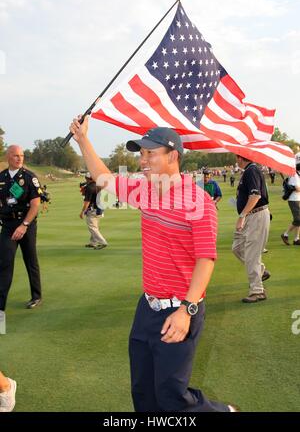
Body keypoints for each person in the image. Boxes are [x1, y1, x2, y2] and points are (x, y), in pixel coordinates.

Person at [70, 117, 237, 412]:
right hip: (147, 307)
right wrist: (82, 139)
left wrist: (187, 310)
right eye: (141, 153)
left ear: (173, 156)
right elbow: (104, 177)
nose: (142, 160)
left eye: (150, 153)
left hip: (181, 309)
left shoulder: (198, 200)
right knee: (143, 392)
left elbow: (205, 259)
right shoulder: (144, 190)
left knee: (171, 396)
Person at [0, 145, 42, 311]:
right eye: (16, 155)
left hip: (26, 225)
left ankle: (36, 296)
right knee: (4, 264)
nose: (19, 158)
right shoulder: (1, 177)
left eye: (22, 156)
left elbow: (35, 204)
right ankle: (1, 309)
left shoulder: (29, 177)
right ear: (8, 157)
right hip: (8, 226)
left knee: (30, 260)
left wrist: (24, 225)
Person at [232, 155, 270, 303]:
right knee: (237, 247)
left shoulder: (251, 170)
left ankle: (257, 291)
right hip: (252, 215)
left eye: (237, 157)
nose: (236, 160)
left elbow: (255, 195)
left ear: (241, 158)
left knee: (252, 253)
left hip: (255, 215)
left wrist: (242, 215)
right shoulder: (248, 170)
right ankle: (260, 270)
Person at [80, 172, 107, 250]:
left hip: (93, 210)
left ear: (88, 179)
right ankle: (93, 242)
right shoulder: (98, 185)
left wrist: (82, 212)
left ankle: (102, 242)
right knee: (95, 226)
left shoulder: (89, 187)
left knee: (92, 227)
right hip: (99, 208)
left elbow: (87, 202)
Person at [281, 158, 300, 246]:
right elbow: (297, 188)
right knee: (298, 219)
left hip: (297, 199)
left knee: (298, 219)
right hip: (294, 200)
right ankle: (285, 234)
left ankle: (296, 239)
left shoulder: (297, 174)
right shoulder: (294, 175)